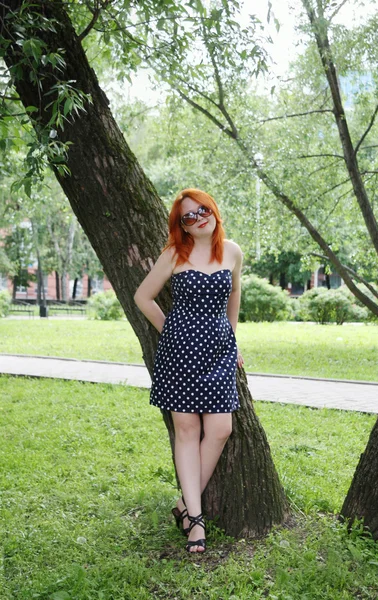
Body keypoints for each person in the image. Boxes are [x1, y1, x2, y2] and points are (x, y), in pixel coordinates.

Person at [134, 188, 244, 553]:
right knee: (187, 429)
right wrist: (171, 330)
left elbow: (233, 300)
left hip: (218, 353)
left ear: (213, 209)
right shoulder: (173, 255)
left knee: (220, 428)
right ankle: (194, 520)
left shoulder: (231, 252)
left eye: (202, 210)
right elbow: (142, 297)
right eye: (188, 216)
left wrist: (233, 341)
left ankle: (184, 502)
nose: (198, 218)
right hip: (180, 353)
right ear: (181, 225)